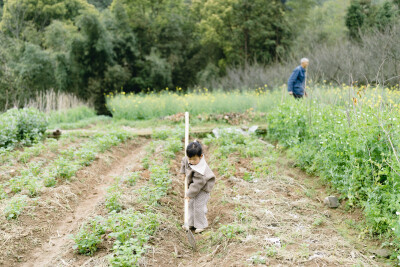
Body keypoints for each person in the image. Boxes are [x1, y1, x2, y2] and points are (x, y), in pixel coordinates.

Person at [180, 140, 215, 233]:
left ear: (201, 156)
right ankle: (190, 223)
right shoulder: (188, 159)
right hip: (193, 186)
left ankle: (201, 225)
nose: (191, 161)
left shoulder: (201, 170)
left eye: (194, 159)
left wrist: (189, 194)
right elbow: (184, 161)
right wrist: (183, 172)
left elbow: (197, 184)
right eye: (190, 159)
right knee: (191, 205)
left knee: (198, 206)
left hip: (203, 188)